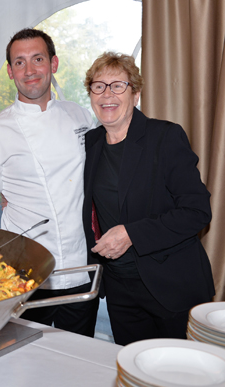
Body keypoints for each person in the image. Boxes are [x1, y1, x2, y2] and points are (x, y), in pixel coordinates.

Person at [0, 28, 99, 337]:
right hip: (27, 272)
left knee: (78, 358)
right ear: (10, 72)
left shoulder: (79, 115)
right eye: (20, 62)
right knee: (24, 359)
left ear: (53, 64)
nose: (29, 70)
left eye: (37, 59)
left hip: (81, 265)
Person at [82, 52, 215, 346]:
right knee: (135, 371)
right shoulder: (91, 143)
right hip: (119, 289)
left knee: (181, 374)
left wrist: (132, 233)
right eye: (98, 86)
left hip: (170, 286)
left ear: (136, 94)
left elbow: (197, 211)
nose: (107, 94)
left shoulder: (165, 137)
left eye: (118, 85)